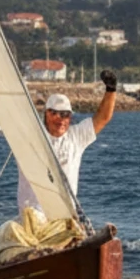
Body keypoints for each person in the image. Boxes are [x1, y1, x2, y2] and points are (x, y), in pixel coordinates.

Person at [19, 70, 118, 216]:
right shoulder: (31, 136)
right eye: (55, 113)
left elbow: (102, 118)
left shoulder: (76, 136)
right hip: (32, 216)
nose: (60, 119)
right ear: (46, 114)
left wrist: (111, 89)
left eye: (65, 114)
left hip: (64, 217)